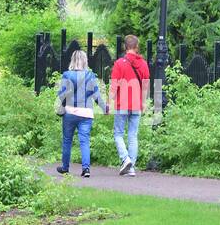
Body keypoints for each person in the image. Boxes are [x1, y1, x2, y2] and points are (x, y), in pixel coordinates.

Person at [56, 49, 107, 177]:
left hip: (70, 112)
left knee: (67, 140)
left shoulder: (67, 75)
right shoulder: (91, 75)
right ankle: (86, 169)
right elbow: (96, 95)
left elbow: (62, 94)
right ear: (85, 61)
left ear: (73, 60)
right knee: (84, 141)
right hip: (86, 113)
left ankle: (65, 167)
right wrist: (104, 107)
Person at [109, 34, 150, 176]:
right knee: (133, 135)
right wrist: (143, 102)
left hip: (122, 104)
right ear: (137, 47)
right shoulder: (143, 64)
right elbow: (145, 86)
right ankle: (131, 167)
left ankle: (125, 159)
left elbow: (114, 85)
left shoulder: (119, 63)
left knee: (118, 133)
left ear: (125, 47)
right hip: (137, 104)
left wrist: (110, 101)